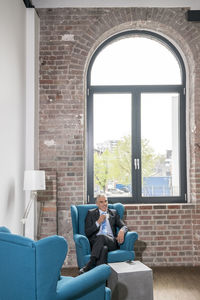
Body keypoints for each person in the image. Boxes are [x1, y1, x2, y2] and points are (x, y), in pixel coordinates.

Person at [79, 194, 128, 274]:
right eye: (101, 202)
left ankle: (91, 262)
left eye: (105, 201)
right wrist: (98, 222)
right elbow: (87, 232)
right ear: (97, 204)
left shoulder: (113, 213)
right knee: (103, 249)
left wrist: (122, 231)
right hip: (96, 243)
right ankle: (102, 279)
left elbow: (124, 226)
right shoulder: (91, 213)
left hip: (111, 242)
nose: (104, 204)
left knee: (102, 237)